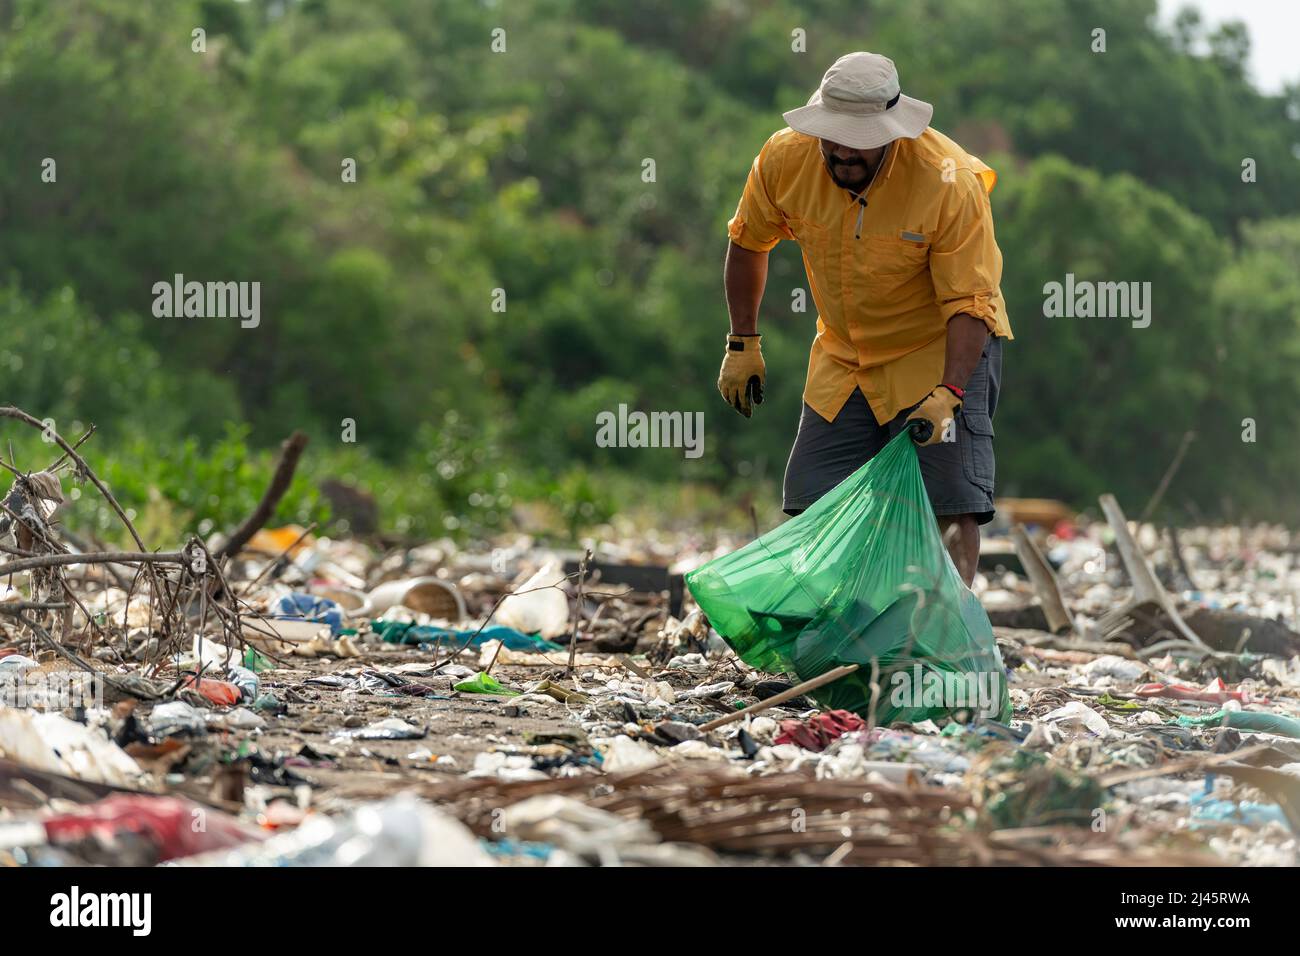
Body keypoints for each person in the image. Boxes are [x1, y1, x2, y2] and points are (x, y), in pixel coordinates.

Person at [718, 51, 1013, 585]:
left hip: (939, 352)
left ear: (892, 133)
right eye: (833, 133)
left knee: (948, 503)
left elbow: (970, 302)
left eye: (859, 138)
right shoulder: (785, 159)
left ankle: (936, 643)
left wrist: (949, 392)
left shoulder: (948, 181)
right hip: (844, 355)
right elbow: (747, 242)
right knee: (812, 499)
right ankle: (833, 640)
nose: (841, 149)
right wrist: (743, 342)